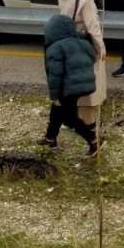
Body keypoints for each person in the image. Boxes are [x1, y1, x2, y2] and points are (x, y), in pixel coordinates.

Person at [39, 12, 100, 156]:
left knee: (69, 117)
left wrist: (55, 95)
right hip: (85, 84)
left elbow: (55, 75)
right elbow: (92, 58)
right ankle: (50, 138)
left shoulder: (55, 48)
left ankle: (94, 141)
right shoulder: (82, 42)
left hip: (68, 87)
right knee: (57, 110)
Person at [56, 0, 106, 127]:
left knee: (70, 80)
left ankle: (69, 117)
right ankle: (87, 121)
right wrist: (101, 48)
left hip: (65, 41)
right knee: (89, 83)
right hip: (84, 44)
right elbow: (93, 27)